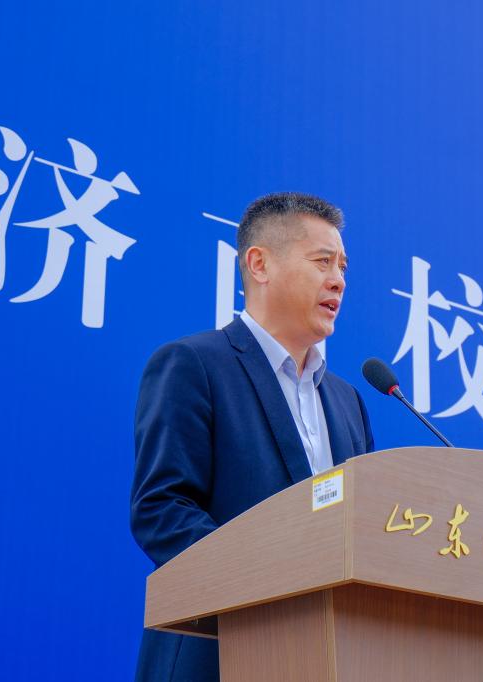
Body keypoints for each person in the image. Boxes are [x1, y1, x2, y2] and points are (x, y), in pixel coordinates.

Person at [130, 192, 375, 682]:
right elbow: (162, 509)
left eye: (343, 267)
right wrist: (276, 577)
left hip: (326, 658)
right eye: (322, 261)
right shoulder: (194, 365)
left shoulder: (348, 400)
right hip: (216, 656)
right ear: (259, 264)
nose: (338, 280)